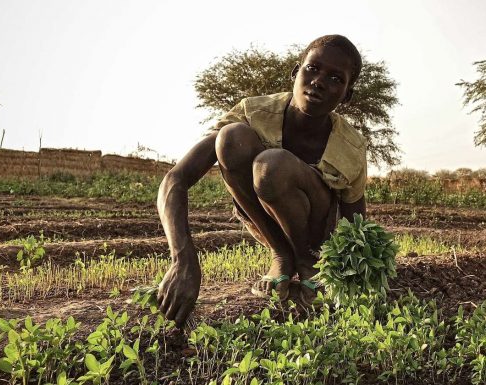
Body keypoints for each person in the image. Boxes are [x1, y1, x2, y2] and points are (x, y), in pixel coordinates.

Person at [154, 35, 367, 325]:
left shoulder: (351, 147)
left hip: (318, 232)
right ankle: (281, 254)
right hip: (267, 224)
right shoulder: (253, 112)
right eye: (312, 69)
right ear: (295, 72)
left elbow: (357, 225)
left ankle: (308, 262)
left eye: (335, 78)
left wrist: (346, 274)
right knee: (231, 137)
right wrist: (183, 260)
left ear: (346, 95)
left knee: (272, 165)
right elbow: (175, 179)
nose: (318, 82)